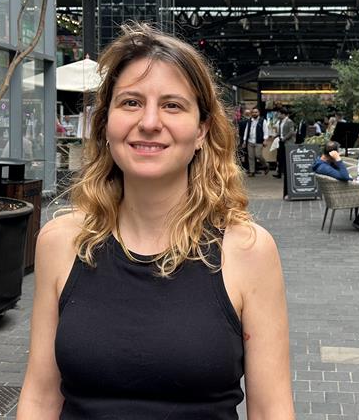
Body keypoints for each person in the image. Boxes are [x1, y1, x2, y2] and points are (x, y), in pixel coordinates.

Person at [15, 24, 292, 419]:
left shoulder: (248, 251)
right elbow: (41, 397)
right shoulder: (60, 242)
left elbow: (270, 410)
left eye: (172, 105)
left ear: (202, 130)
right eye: (130, 102)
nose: (149, 122)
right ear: (105, 123)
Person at [311, 141, 359, 232]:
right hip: (344, 192)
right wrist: (338, 159)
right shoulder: (323, 167)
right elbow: (344, 176)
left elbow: (342, 174)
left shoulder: (322, 162)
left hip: (345, 187)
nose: (338, 154)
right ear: (332, 154)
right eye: (337, 152)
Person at [239, 107, 265, 177]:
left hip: (258, 141)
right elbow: (245, 131)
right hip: (249, 141)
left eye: (256, 112)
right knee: (250, 157)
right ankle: (251, 171)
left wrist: (265, 139)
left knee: (257, 155)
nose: (254, 113)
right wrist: (244, 141)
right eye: (253, 112)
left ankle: (264, 165)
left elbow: (265, 130)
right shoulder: (248, 121)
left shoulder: (261, 121)